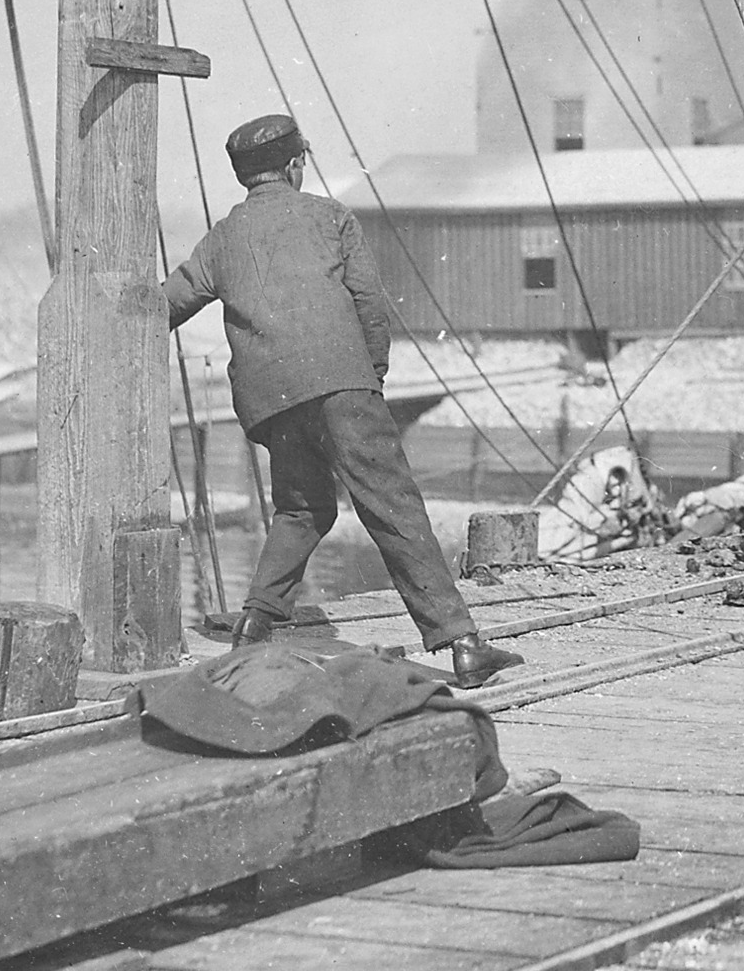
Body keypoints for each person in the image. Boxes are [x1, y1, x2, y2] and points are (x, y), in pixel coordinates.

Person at [165, 113, 522, 689]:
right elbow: (368, 305)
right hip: (341, 382)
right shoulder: (331, 217)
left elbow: (166, 304)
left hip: (271, 400)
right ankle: (463, 643)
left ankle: (253, 628)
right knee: (392, 506)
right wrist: (368, 378)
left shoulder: (221, 238)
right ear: (294, 164)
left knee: (304, 509)